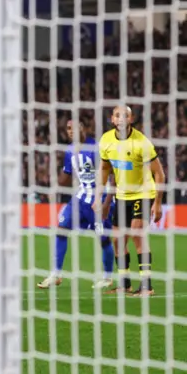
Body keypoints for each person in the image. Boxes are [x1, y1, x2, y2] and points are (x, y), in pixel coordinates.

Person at [94, 106, 165, 297]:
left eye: (125, 115)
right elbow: (104, 169)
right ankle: (124, 284)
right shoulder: (106, 140)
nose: (121, 118)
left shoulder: (142, 143)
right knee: (118, 240)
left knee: (136, 233)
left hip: (143, 193)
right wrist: (98, 197)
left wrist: (157, 204)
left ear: (131, 119)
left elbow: (159, 174)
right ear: (112, 119)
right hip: (122, 195)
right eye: (118, 115)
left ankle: (146, 286)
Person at [38, 120, 116, 289]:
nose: (71, 131)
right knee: (61, 229)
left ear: (83, 128)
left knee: (104, 239)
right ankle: (56, 274)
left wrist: (108, 203)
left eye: (75, 127)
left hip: (99, 199)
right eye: (68, 128)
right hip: (80, 198)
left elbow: (112, 176)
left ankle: (108, 277)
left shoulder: (96, 148)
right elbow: (67, 175)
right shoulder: (70, 151)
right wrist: (55, 189)